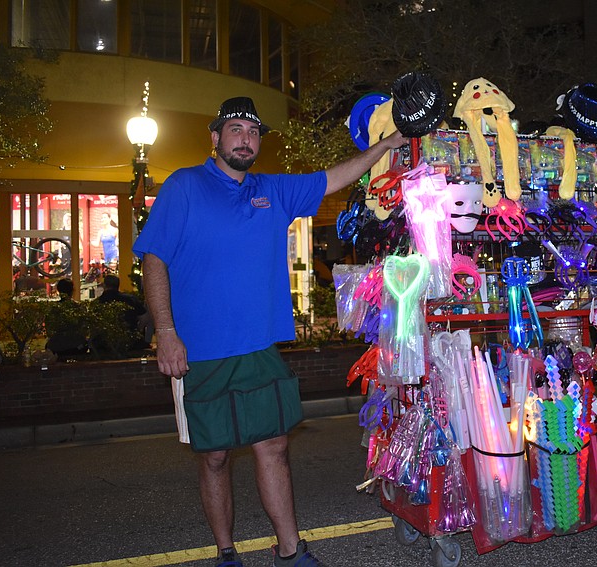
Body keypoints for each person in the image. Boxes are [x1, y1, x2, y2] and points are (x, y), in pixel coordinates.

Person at [132, 96, 407, 567]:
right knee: (215, 456)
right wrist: (166, 331)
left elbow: (336, 176)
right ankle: (225, 552)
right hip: (200, 350)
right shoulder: (184, 186)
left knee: (274, 446)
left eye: (253, 132)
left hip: (258, 345)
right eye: (235, 129)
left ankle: (290, 549)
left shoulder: (271, 191)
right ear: (215, 137)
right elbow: (153, 258)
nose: (245, 138)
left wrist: (392, 141)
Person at [97, 275, 150, 349]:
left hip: (104, 345)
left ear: (104, 285)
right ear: (118, 285)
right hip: (131, 343)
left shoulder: (97, 303)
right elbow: (145, 317)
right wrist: (137, 329)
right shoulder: (130, 299)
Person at [45, 278, 88, 359]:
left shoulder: (53, 308)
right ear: (72, 291)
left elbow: (49, 330)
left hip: (57, 346)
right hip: (77, 346)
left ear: (59, 291)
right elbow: (84, 328)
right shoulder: (79, 307)